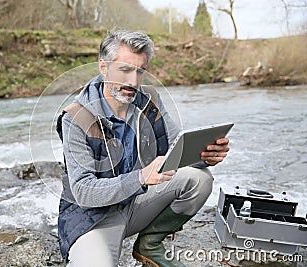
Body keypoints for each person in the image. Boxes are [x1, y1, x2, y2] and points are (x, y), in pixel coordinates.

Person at [56, 30, 230, 267]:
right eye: (125, 70)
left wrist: (205, 156)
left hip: (136, 203)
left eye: (140, 71)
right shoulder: (75, 118)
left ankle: (149, 244)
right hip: (94, 218)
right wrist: (140, 178)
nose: (133, 82)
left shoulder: (150, 99)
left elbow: (176, 149)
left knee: (200, 179)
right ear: (103, 67)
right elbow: (83, 192)